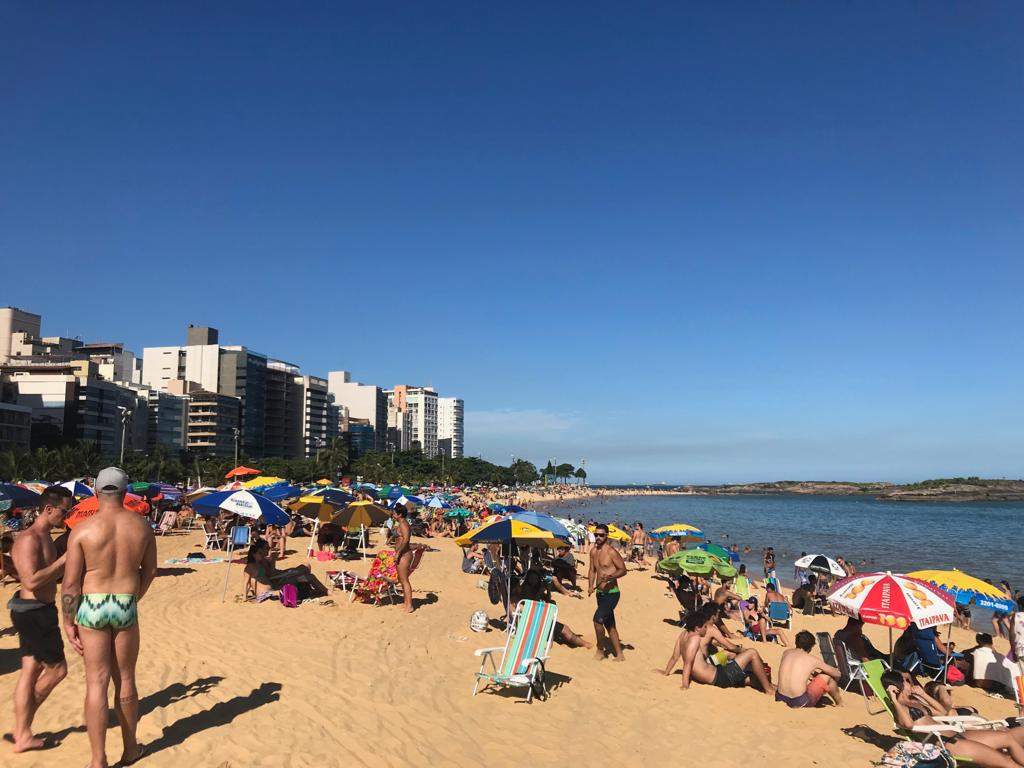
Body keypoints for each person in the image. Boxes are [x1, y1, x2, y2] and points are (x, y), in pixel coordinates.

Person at [61, 468, 157, 768]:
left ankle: (98, 759)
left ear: (96, 492)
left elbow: (70, 584)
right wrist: (134, 597)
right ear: (125, 492)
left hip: (92, 603)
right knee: (125, 678)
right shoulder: (141, 526)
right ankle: (130, 750)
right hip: (124, 601)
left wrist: (68, 620)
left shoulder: (82, 529)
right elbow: (150, 571)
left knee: (96, 682)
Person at [9, 485, 74, 753]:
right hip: (34, 612)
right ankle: (23, 728)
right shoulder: (29, 539)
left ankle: (21, 731)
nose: (66, 515)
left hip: (38, 611)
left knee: (30, 670)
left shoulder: (47, 537)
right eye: (64, 510)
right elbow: (31, 580)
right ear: (48, 509)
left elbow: (49, 576)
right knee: (57, 670)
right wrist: (63, 560)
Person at [883, 670, 1024, 768]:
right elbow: (907, 724)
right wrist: (894, 700)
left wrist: (924, 696)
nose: (910, 683)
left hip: (957, 735)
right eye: (905, 681)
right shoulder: (900, 707)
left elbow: (941, 712)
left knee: (1007, 737)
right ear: (897, 687)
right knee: (1006, 762)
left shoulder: (914, 700)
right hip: (949, 745)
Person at [679, 608, 775, 695]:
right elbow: (730, 646)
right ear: (713, 617)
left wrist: (666, 672)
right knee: (751, 652)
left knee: (740, 667)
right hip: (716, 673)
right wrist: (685, 684)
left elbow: (675, 657)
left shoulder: (685, 635)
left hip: (710, 666)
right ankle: (769, 689)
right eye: (718, 615)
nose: (719, 617)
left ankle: (765, 683)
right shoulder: (710, 630)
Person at [588, 523, 627, 661]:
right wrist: (590, 586)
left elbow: (623, 570)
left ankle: (600, 650)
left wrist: (611, 577)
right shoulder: (593, 551)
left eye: (601, 535)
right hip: (600, 593)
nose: (598, 537)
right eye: (596, 534)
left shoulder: (611, 552)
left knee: (597, 620)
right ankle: (619, 654)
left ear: (607, 536)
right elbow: (592, 570)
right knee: (609, 624)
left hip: (612, 593)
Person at [775, 630, 842, 708]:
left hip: (780, 697)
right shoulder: (812, 659)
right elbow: (837, 673)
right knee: (827, 676)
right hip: (799, 701)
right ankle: (840, 703)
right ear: (810, 647)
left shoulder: (786, 652)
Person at [392, 504, 421, 614]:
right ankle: (406, 602)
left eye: (394, 513)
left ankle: (409, 606)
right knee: (402, 579)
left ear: (399, 514)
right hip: (402, 554)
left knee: (404, 581)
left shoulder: (404, 524)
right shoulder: (401, 523)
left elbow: (406, 540)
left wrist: (398, 553)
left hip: (404, 555)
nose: (393, 515)